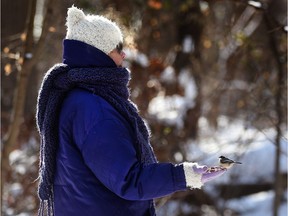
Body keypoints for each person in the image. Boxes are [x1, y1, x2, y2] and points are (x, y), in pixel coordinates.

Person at [36, 6, 226, 216]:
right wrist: (185, 175)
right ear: (98, 53)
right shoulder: (95, 110)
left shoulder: (75, 98)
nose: (124, 53)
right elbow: (128, 180)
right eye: (117, 48)